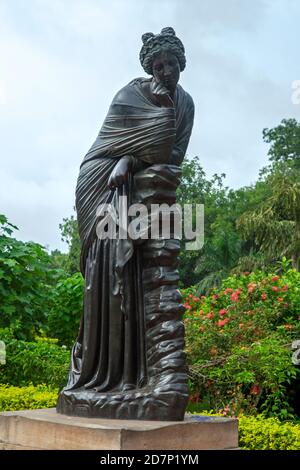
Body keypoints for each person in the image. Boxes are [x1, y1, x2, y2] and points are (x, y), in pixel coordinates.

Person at [57, 27, 194, 420]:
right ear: (149, 66)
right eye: (158, 64)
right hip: (100, 181)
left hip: (132, 179)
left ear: (181, 64)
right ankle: (99, 372)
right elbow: (108, 145)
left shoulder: (185, 104)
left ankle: (134, 378)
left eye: (171, 63)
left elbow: (172, 155)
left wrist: (130, 161)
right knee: (105, 269)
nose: (165, 70)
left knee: (136, 271)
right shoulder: (128, 96)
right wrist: (123, 159)